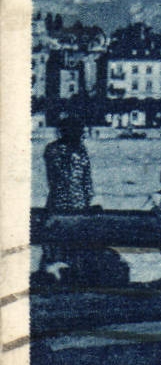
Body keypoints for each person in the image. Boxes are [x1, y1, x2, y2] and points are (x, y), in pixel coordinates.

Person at [41, 116, 96, 278]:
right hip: (71, 203)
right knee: (73, 240)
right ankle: (71, 270)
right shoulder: (74, 150)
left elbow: (81, 179)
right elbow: (83, 180)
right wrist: (88, 198)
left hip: (63, 202)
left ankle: (63, 269)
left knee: (60, 238)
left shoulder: (54, 149)